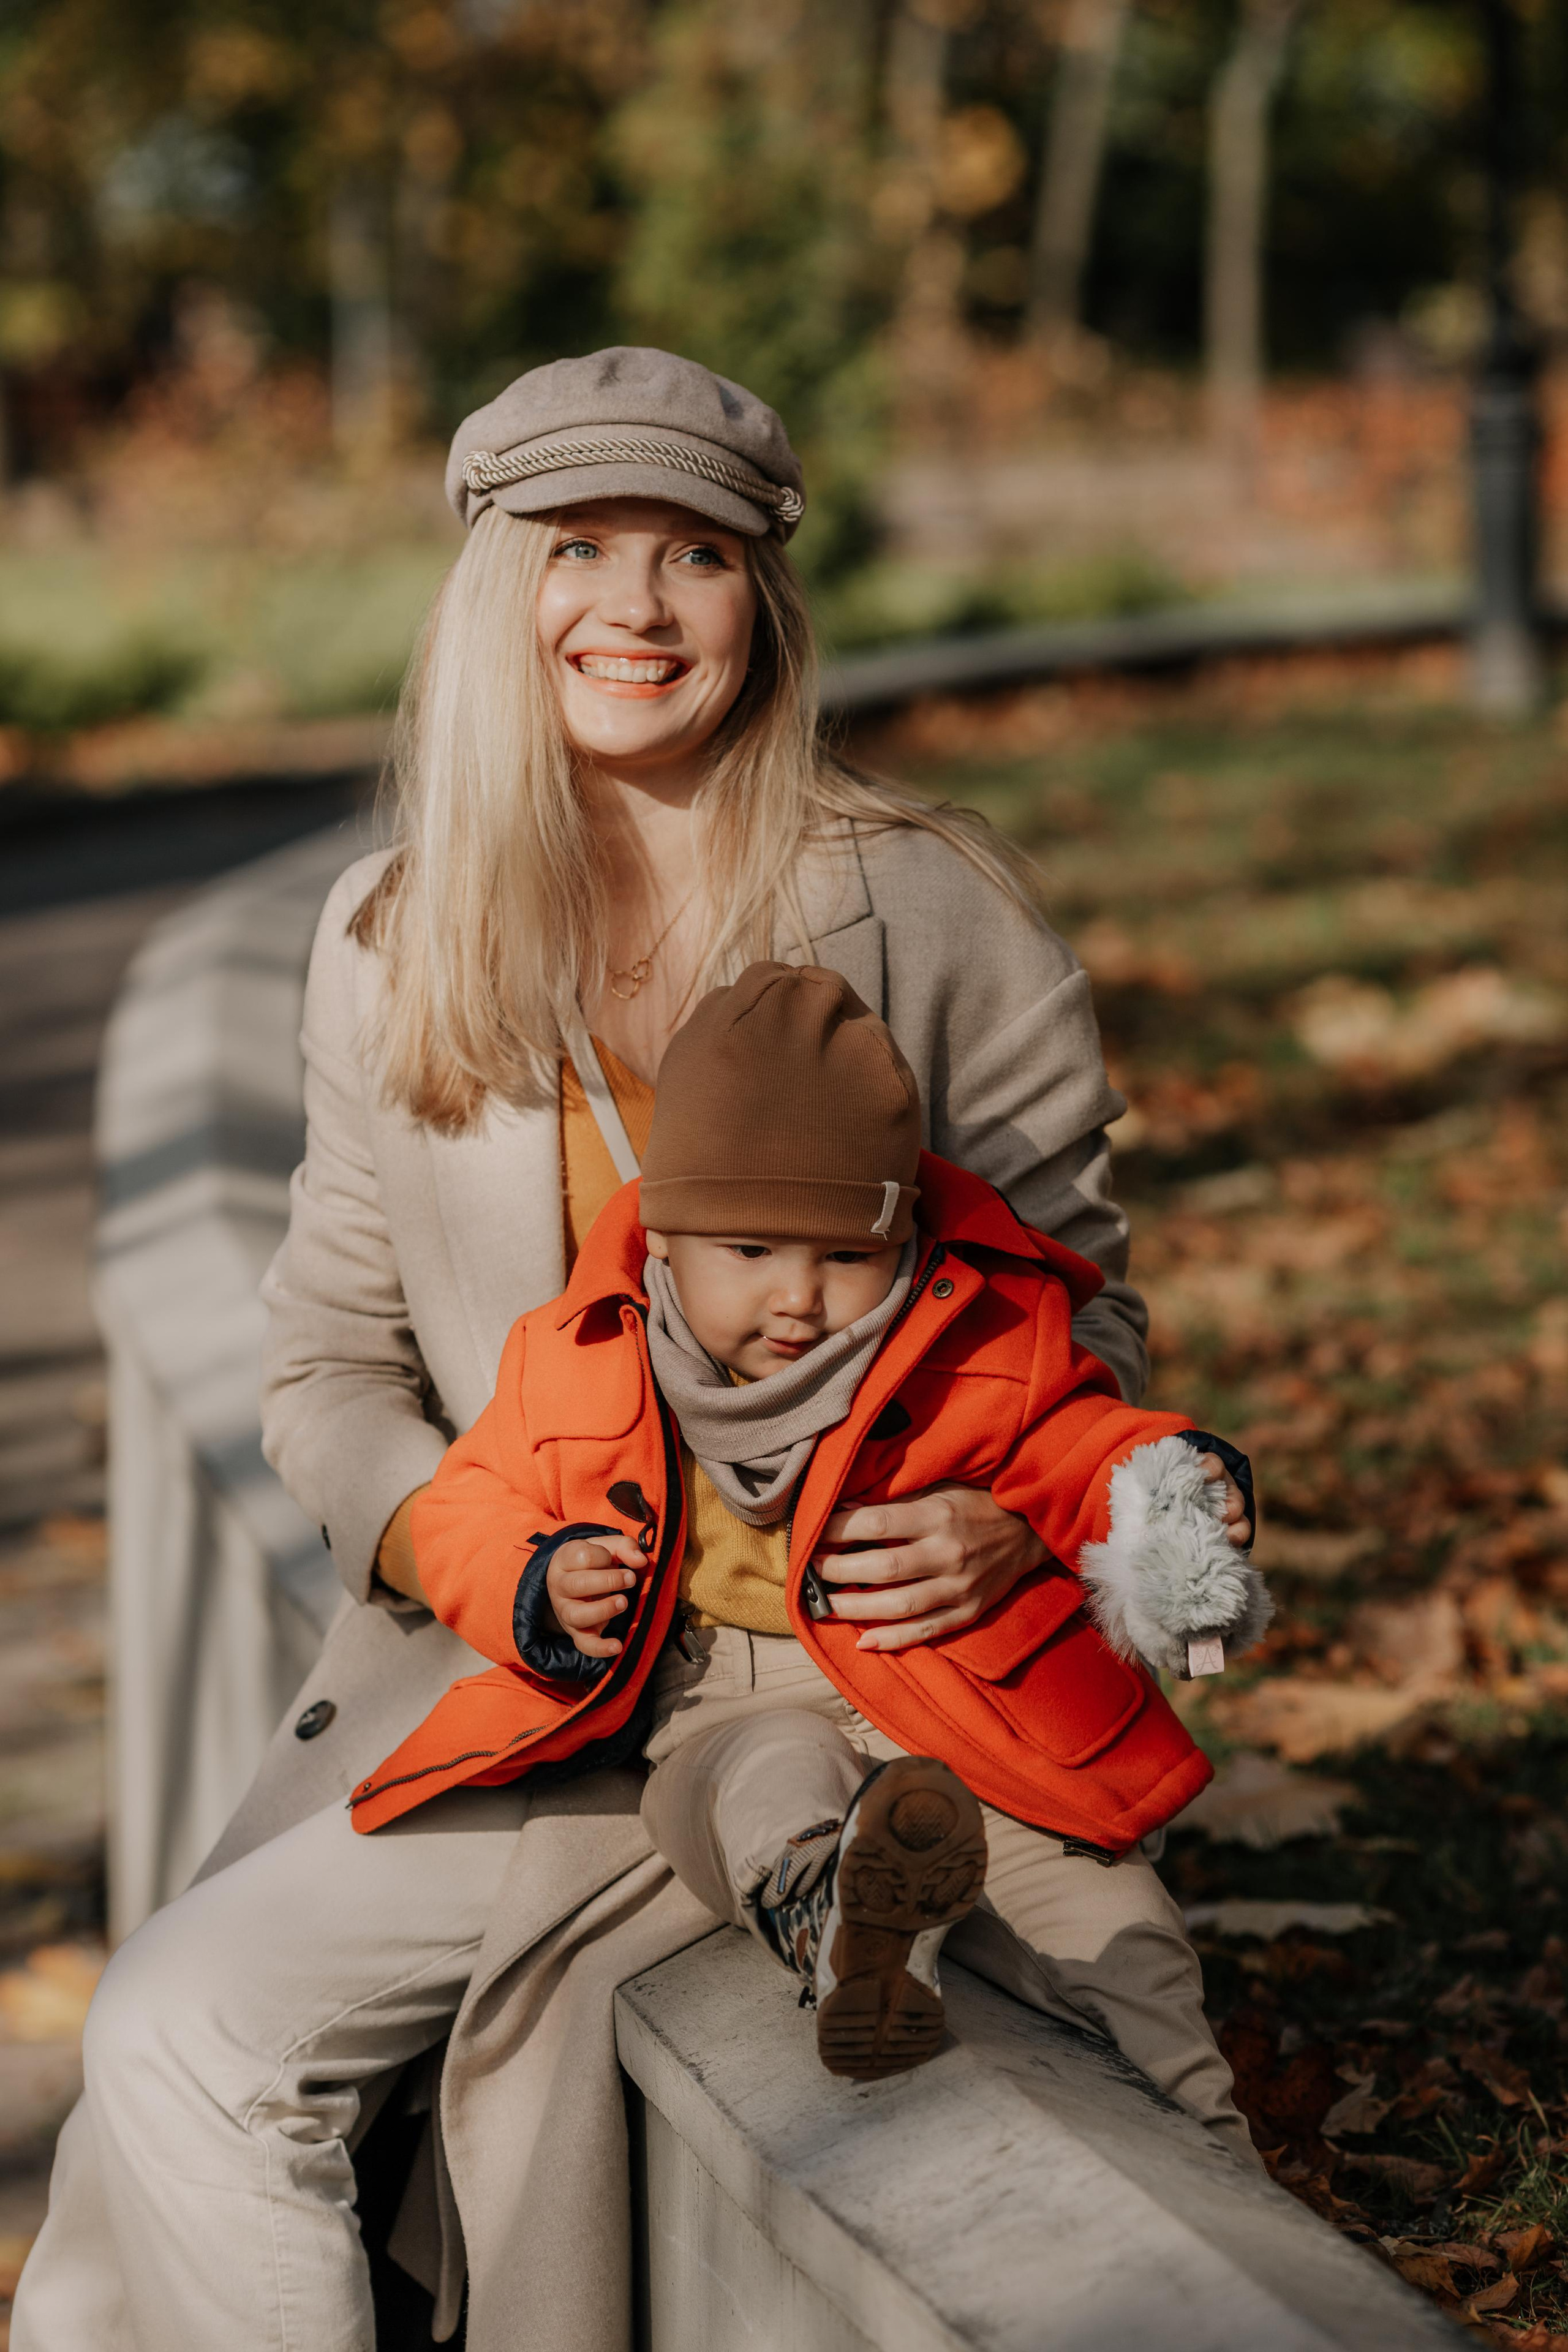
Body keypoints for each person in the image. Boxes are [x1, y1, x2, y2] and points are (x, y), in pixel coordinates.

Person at [15, 347, 1238, 2352]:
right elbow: (328, 1366)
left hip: (869, 1674)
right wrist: (472, 1556)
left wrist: (1017, 1533)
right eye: (579, 549)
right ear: (501, 589)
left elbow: (1077, 1309)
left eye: (696, 555)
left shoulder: (927, 905)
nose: (637, 608)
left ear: (767, 593)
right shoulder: (392, 938)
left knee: (1122, 2067)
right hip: (539, 1690)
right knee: (172, 2032)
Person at [359, 961, 1267, 2122]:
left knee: (1125, 1946)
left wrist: (1175, 1493)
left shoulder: (972, 1341)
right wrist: (539, 1585)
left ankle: (1218, 2165)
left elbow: (1078, 1444)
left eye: (845, 1258)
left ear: (903, 1243)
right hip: (729, 1709)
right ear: (668, 1230)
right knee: (766, 1785)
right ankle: (848, 1926)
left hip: (965, 1719)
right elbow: (467, 1506)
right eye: (752, 1253)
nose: (798, 1298)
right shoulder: (581, 1354)